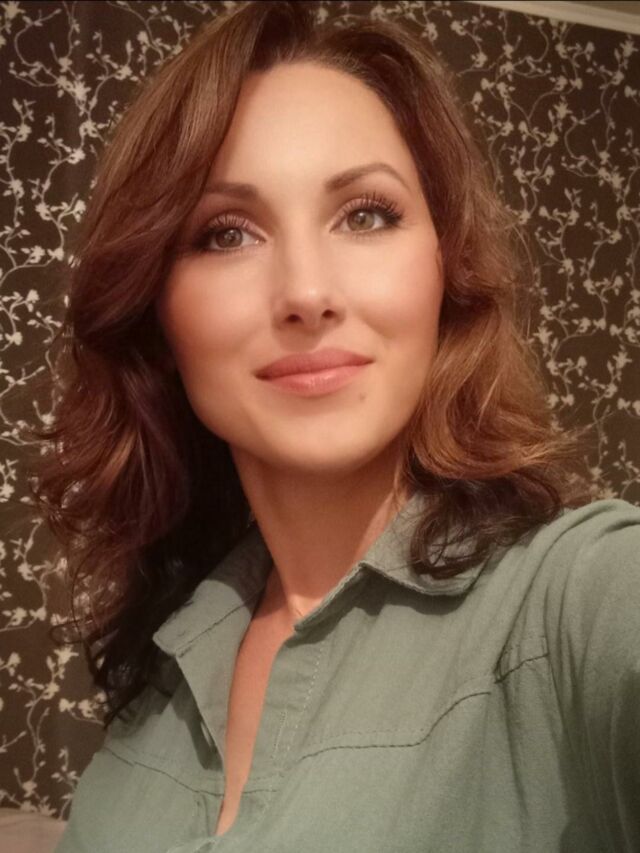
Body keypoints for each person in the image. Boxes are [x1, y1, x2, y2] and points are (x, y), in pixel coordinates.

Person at [29, 1, 639, 851]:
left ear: (445, 270)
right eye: (226, 233)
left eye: (366, 214)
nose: (307, 292)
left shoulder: (578, 599)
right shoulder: (163, 668)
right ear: (156, 313)